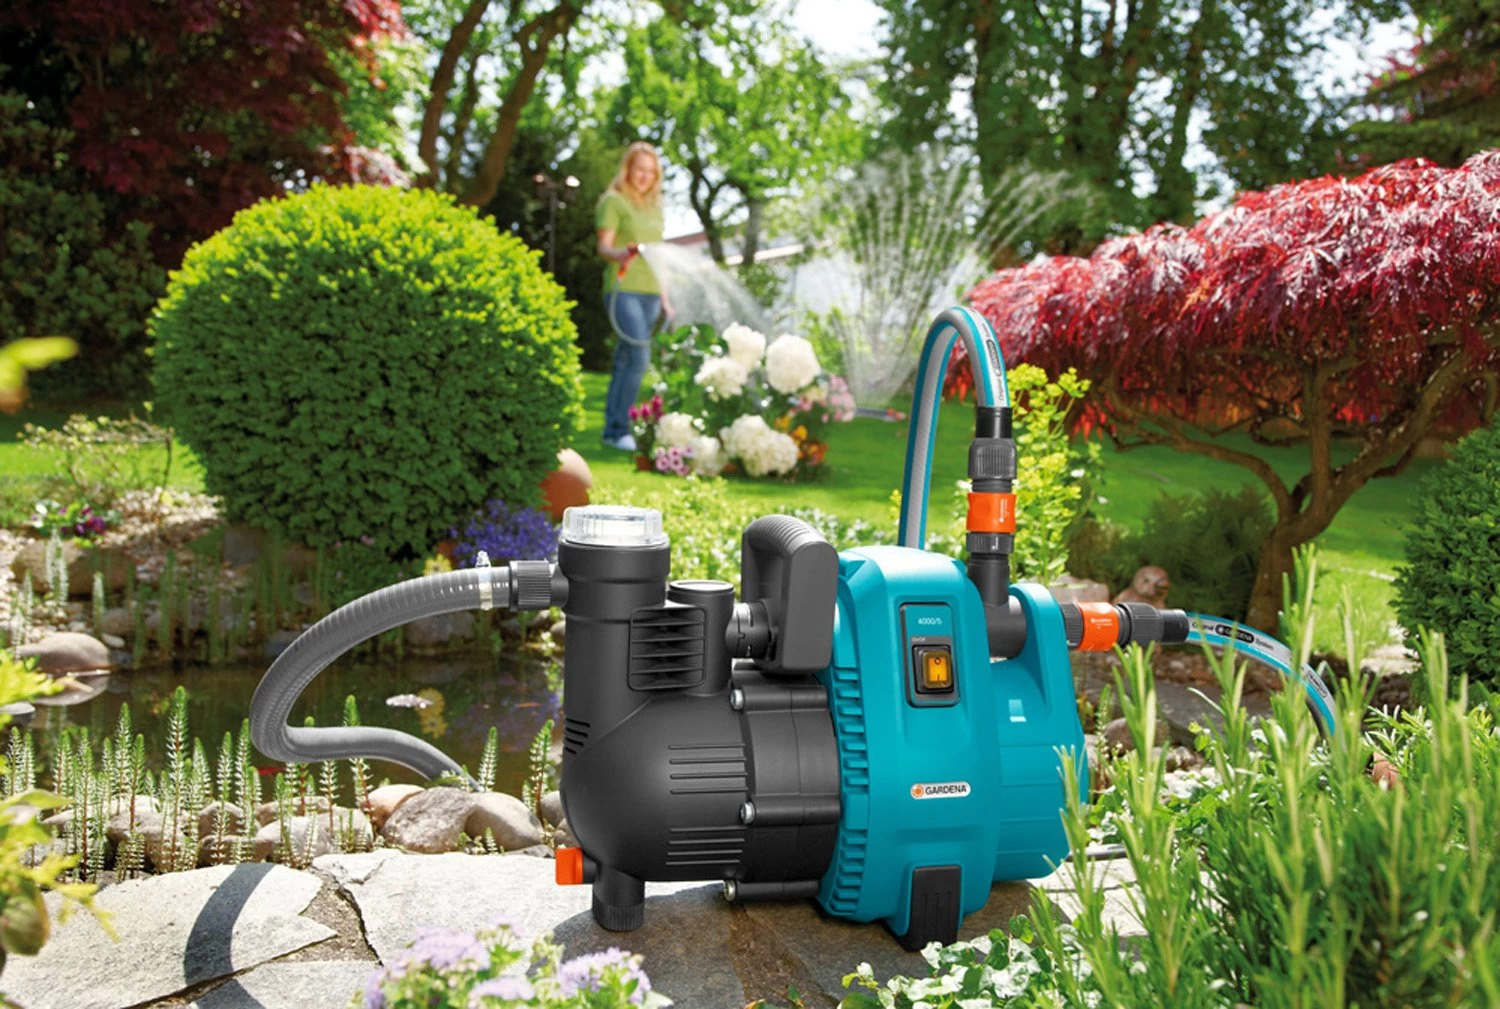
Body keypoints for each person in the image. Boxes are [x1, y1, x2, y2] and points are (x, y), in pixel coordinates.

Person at [596, 141, 674, 451]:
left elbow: (660, 258)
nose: (644, 176)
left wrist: (666, 298)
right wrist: (622, 254)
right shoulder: (613, 201)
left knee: (625, 360)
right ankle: (619, 429)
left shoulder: (655, 208)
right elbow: (604, 248)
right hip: (624, 289)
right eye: (639, 169)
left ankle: (611, 430)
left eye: (650, 172)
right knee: (639, 357)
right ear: (628, 170)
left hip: (651, 292)